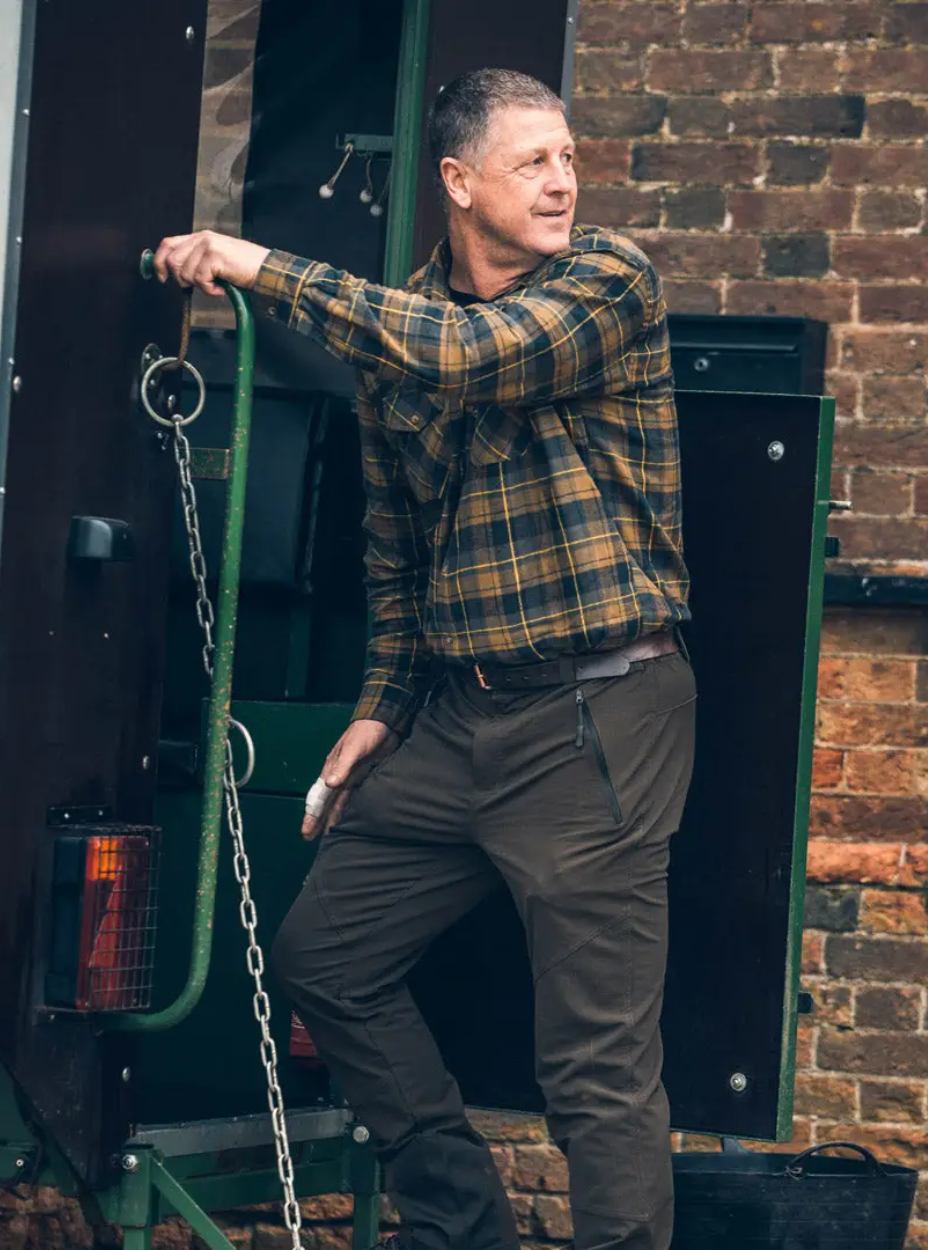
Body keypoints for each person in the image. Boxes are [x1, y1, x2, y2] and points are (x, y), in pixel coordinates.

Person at [154, 67, 696, 1250]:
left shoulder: (607, 280)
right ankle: (462, 1226)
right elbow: (398, 551)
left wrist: (258, 266)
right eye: (530, 162)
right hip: (461, 717)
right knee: (324, 957)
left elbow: (469, 354)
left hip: (601, 711)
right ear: (459, 183)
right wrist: (380, 708)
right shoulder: (399, 323)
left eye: (566, 156)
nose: (562, 181)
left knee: (595, 1065)